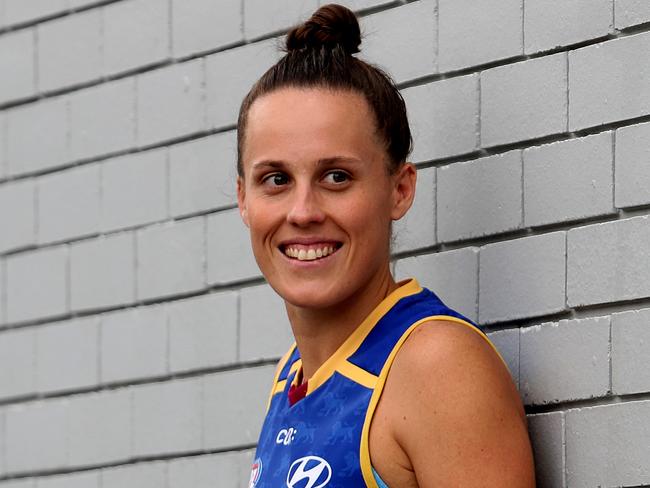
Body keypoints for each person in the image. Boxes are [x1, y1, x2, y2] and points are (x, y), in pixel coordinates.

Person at [236, 4, 535, 487]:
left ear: (399, 189)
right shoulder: (292, 376)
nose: (303, 210)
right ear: (243, 199)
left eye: (337, 176)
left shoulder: (436, 366)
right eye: (276, 179)